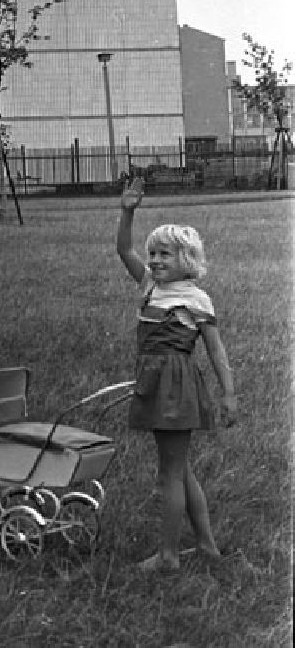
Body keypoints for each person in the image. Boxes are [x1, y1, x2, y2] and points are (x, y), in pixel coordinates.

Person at [116, 176, 237, 571]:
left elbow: (216, 352)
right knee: (179, 468)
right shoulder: (149, 285)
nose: (154, 261)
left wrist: (229, 394)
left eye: (164, 254)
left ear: (186, 258)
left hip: (175, 385)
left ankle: (168, 556)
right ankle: (206, 546)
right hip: (155, 381)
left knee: (168, 472)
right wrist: (127, 211)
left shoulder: (196, 298)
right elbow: (123, 249)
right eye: (153, 254)